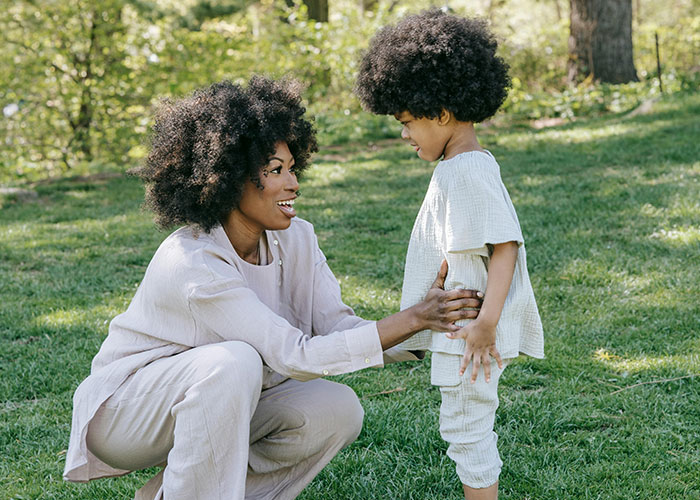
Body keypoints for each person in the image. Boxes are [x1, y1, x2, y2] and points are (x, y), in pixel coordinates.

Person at [62, 76, 485, 500]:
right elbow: (295, 355)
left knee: (335, 410)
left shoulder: (296, 238)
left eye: (292, 168)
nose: (293, 183)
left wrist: (430, 327)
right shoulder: (194, 262)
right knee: (234, 362)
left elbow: (335, 325)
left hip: (220, 396)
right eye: (274, 171)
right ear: (227, 180)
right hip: (128, 416)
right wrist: (413, 317)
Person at [355, 9, 545, 500]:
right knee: (465, 425)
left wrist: (486, 325)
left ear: (440, 113)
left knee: (466, 428)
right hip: (460, 327)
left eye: (407, 122)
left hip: (469, 331)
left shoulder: (465, 171)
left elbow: (505, 248)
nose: (404, 135)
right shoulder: (463, 167)